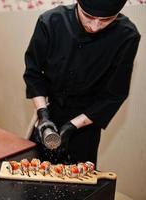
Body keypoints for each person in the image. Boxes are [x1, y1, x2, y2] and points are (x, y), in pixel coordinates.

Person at [23, 0, 140, 166]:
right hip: (49, 110)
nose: (95, 26)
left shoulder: (127, 36)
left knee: (79, 185)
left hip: (87, 121)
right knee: (35, 172)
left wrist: (72, 126)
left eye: (106, 20)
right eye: (89, 16)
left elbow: (114, 95)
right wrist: (43, 115)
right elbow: (34, 73)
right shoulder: (50, 22)